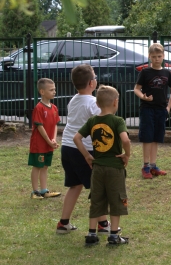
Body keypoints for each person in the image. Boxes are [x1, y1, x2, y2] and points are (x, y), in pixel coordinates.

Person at [56, 64, 110, 235]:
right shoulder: (93, 103)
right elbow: (100, 126)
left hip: (67, 148)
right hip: (83, 151)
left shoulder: (74, 99)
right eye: (94, 77)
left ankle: (63, 223)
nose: (96, 79)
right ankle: (102, 223)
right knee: (97, 188)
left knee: (75, 185)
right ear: (91, 83)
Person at [73, 85, 130, 247]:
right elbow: (125, 140)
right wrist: (127, 155)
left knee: (96, 200)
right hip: (115, 168)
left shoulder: (92, 121)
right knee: (117, 199)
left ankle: (91, 234)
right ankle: (113, 235)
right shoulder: (118, 121)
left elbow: (76, 138)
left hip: (97, 169)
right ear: (115, 102)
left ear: (97, 104)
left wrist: (87, 155)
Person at [134, 43, 171, 179]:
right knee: (147, 137)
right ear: (149, 57)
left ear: (163, 56)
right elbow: (136, 88)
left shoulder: (166, 73)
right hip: (147, 109)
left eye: (159, 56)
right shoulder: (145, 72)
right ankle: (145, 166)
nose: (156, 59)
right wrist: (143, 97)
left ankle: (153, 166)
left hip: (161, 110)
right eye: (153, 56)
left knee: (156, 138)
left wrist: (168, 107)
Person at [28, 78, 61, 199]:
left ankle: (44, 190)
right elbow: (40, 127)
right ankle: (35, 192)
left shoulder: (54, 108)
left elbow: (55, 124)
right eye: (51, 90)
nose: (54, 92)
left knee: (45, 166)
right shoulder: (39, 108)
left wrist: (53, 139)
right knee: (37, 165)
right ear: (42, 91)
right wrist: (48, 141)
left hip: (49, 144)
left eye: (54, 89)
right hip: (39, 144)